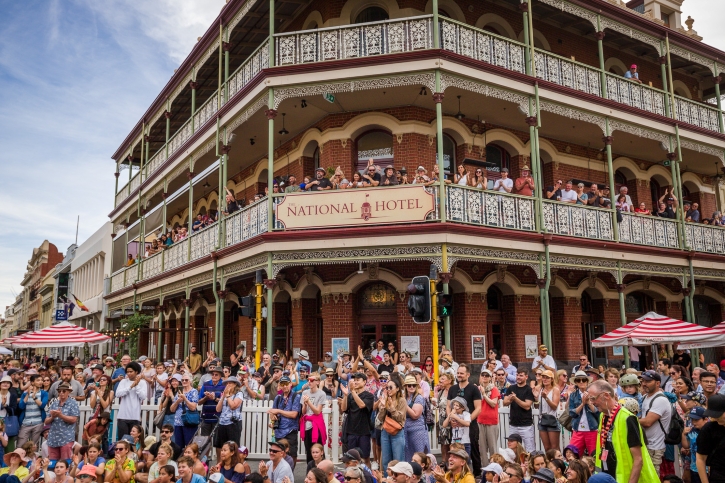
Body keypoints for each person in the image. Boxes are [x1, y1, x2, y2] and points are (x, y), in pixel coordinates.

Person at [587, 379, 659, 483]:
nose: (592, 403)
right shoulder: (603, 416)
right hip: (608, 476)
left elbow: (638, 459)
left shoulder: (628, 418)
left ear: (606, 395)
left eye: (593, 398)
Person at [448, 364, 482, 476]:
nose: (459, 375)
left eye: (462, 373)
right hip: (455, 426)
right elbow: (448, 406)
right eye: (458, 373)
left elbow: (478, 408)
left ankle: (476, 474)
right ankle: (456, 473)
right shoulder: (452, 388)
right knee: (455, 449)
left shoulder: (473, 388)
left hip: (470, 425)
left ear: (468, 374)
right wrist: (451, 419)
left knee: (473, 449)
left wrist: (466, 421)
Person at [340, 372, 374, 466]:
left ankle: (367, 478)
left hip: (364, 431)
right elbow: (343, 409)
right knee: (351, 458)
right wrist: (346, 395)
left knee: (365, 458)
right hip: (351, 431)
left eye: (358, 380)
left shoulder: (369, 396)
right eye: (354, 380)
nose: (355, 382)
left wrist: (353, 391)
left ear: (364, 382)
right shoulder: (351, 395)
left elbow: (362, 405)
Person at [43, 382, 78, 460]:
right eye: (59, 391)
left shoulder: (73, 404)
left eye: (64, 391)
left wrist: (60, 416)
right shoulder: (54, 404)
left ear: (68, 392)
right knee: (52, 462)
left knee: (65, 462)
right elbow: (46, 421)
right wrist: (52, 417)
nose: (61, 393)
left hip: (66, 438)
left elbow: (73, 419)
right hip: (53, 438)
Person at [269, 375, 301, 461]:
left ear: (290, 384)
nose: (285, 386)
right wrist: (272, 419)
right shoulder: (278, 397)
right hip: (279, 431)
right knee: (279, 454)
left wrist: (279, 411)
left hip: (291, 430)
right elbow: (272, 413)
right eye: (282, 384)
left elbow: (294, 414)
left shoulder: (296, 396)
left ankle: (290, 474)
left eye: (286, 384)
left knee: (292, 454)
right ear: (280, 385)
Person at [503, 368, 535, 452]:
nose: (518, 377)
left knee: (529, 449)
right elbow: (504, 403)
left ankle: (529, 465)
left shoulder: (529, 390)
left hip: (526, 425)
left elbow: (527, 406)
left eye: (521, 375)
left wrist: (515, 398)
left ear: (526, 377)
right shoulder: (511, 388)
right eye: (517, 375)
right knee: (512, 450)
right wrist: (510, 399)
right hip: (513, 424)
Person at [696, 394, 725, 483]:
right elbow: (700, 458)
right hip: (719, 476)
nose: (715, 418)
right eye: (712, 415)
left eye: (718, 415)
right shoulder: (708, 429)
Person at [116, 361, 147, 438]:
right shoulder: (123, 382)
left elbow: (143, 396)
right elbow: (118, 394)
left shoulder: (142, 383)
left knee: (134, 440)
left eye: (131, 372)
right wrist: (130, 387)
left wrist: (136, 386)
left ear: (136, 372)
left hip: (135, 416)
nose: (129, 374)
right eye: (127, 372)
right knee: (123, 440)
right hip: (123, 416)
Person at [300, 372, 326, 465]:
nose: (309, 382)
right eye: (308, 380)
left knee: (318, 450)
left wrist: (309, 402)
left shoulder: (321, 394)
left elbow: (318, 411)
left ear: (318, 382)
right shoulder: (305, 392)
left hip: (317, 425)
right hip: (307, 424)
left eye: (312, 380)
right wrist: (305, 405)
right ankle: (310, 472)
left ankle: (322, 472)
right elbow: (303, 412)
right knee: (309, 450)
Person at [198, 366, 224, 457]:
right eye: (212, 374)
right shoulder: (205, 385)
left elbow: (225, 402)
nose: (214, 376)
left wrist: (214, 398)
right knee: (205, 442)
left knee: (218, 444)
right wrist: (206, 397)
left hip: (218, 418)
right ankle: (205, 462)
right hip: (206, 418)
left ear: (220, 376)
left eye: (216, 374)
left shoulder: (224, 385)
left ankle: (219, 464)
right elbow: (199, 402)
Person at [214, 376, 244, 451]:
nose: (228, 385)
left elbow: (233, 406)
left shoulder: (239, 394)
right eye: (227, 383)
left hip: (233, 423)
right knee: (221, 446)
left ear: (235, 384)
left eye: (230, 383)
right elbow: (218, 409)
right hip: (223, 422)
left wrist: (228, 396)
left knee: (233, 446)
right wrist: (223, 396)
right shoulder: (224, 394)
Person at [477, 369, 500, 467]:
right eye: (483, 375)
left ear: (490, 378)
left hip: (491, 422)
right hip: (480, 420)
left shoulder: (494, 389)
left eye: (487, 375)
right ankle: (485, 470)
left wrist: (484, 394)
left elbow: (493, 403)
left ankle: (494, 468)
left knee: (492, 448)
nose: (485, 377)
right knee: (482, 448)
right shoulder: (477, 389)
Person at [17, 374, 47, 448]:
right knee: (20, 445)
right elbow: (21, 406)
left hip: (38, 422)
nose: (40, 382)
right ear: (32, 382)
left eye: (41, 380)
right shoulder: (24, 394)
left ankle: (33, 459)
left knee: (33, 447)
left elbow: (42, 405)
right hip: (26, 422)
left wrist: (34, 397)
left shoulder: (44, 393)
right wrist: (28, 394)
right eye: (38, 380)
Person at [169, 373, 198, 448]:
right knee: (178, 446)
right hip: (178, 422)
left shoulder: (194, 391)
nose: (184, 381)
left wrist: (185, 399)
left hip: (189, 421)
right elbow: (172, 409)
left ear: (190, 381)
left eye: (186, 380)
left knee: (190, 446)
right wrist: (177, 401)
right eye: (182, 380)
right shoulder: (179, 392)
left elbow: (193, 407)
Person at [535, 370, 561, 451]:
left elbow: (554, 406)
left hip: (552, 419)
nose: (545, 379)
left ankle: (557, 463)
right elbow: (537, 406)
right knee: (546, 448)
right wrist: (536, 399)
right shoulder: (540, 389)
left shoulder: (555, 390)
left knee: (554, 448)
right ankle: (549, 463)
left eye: (547, 378)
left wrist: (546, 397)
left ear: (552, 379)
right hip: (542, 419)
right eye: (543, 377)